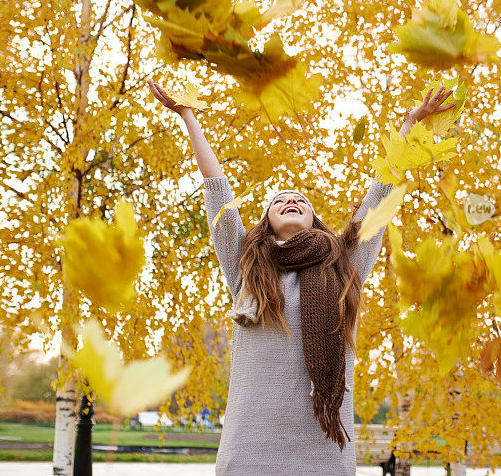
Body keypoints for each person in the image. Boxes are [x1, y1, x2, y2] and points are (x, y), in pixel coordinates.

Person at [148, 78, 455, 475]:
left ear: (314, 220)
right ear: (266, 222)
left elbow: (379, 195)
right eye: (280, 200)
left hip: (322, 446)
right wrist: (188, 116)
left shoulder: (344, 265)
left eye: (300, 201)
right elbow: (217, 191)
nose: (291, 200)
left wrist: (409, 124)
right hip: (249, 445)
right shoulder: (247, 265)